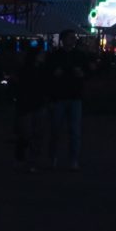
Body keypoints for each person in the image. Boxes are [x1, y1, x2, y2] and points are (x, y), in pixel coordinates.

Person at [45, 33, 86, 170]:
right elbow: (49, 75)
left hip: (73, 96)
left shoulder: (78, 55)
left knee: (73, 131)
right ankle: (55, 158)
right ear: (63, 40)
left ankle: (71, 159)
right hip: (61, 96)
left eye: (73, 38)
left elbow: (87, 71)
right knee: (57, 130)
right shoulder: (56, 56)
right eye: (70, 37)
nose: (73, 40)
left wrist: (82, 74)